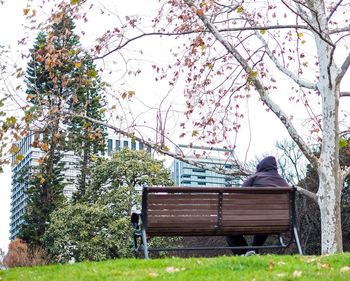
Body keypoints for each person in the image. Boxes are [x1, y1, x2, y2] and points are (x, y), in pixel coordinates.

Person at [226, 156, 289, 255]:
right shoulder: (284, 183)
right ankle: (253, 251)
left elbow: (237, 197)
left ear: (261, 167)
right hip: (279, 222)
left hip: (253, 219)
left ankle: (245, 252)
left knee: (228, 227)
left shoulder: (255, 177)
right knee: (266, 221)